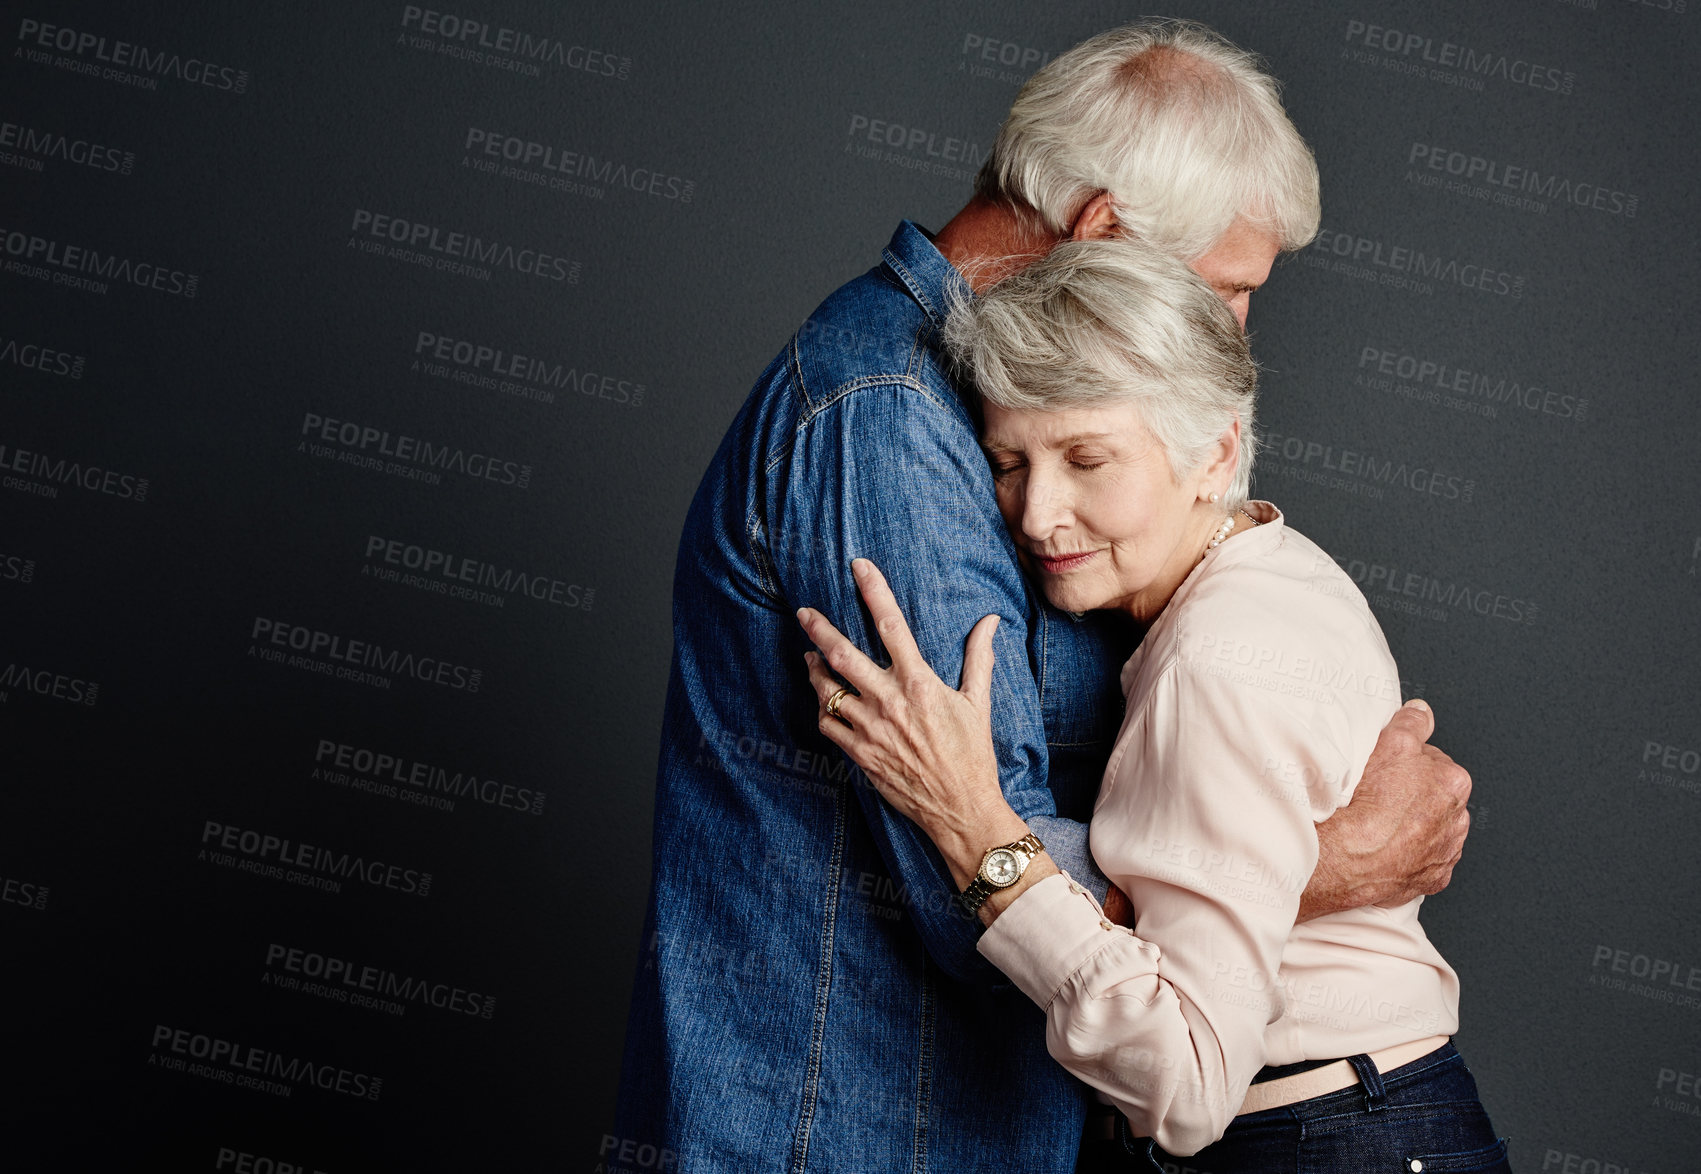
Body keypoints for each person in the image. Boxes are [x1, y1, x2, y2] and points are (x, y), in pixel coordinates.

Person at [612, 19, 1472, 1173]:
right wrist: (1326, 865)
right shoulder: (888, 421)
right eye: (1225, 289)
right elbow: (959, 880)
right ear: (1103, 231)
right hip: (845, 1138)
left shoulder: (1005, 409)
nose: (1233, 338)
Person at [794, 236, 1508, 1170]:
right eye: (1008, 464)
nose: (1037, 513)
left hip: (1324, 1140)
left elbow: (1186, 1088)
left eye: (1087, 460)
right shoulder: (1270, 570)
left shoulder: (1211, 658)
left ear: (1213, 454)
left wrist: (972, 826)